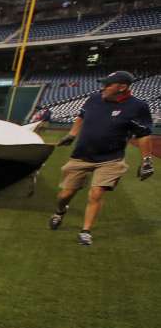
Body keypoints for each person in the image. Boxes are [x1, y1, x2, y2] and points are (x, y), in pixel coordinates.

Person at [49, 70, 154, 246]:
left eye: (107, 84)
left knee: (96, 193)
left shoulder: (138, 107)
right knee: (65, 195)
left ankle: (85, 231)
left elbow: (143, 134)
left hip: (110, 159)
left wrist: (146, 160)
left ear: (122, 87)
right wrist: (72, 134)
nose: (103, 87)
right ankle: (60, 211)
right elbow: (81, 116)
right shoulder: (94, 98)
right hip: (81, 156)